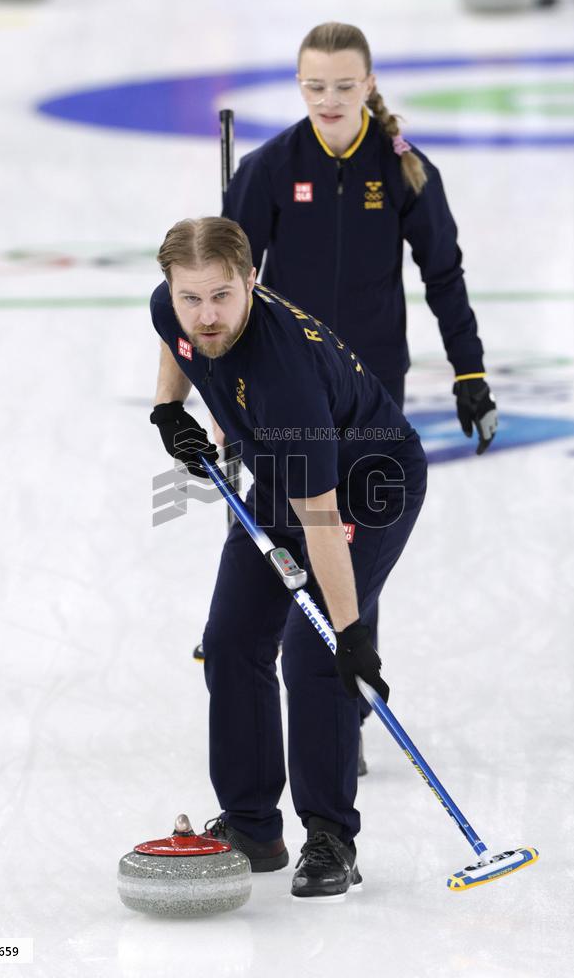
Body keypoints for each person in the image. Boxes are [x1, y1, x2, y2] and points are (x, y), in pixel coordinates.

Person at [213, 22, 498, 754]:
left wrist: (468, 371)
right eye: (314, 87)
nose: (329, 99)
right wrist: (220, 395)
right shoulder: (271, 168)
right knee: (288, 531)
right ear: (298, 86)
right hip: (283, 391)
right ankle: (256, 645)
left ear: (369, 84)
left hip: (371, 398)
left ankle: (342, 701)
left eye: (344, 85)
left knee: (350, 541)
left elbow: (443, 274)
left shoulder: (403, 170)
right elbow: (226, 286)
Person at [150, 216, 427, 898]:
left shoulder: (285, 377)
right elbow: (176, 340)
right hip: (284, 475)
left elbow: (322, 521)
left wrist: (352, 636)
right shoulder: (174, 307)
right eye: (191, 298)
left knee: (315, 651)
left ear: (252, 280)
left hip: (366, 486)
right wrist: (168, 409)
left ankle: (330, 835)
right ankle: (251, 826)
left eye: (221, 295)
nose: (205, 315)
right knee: (232, 639)